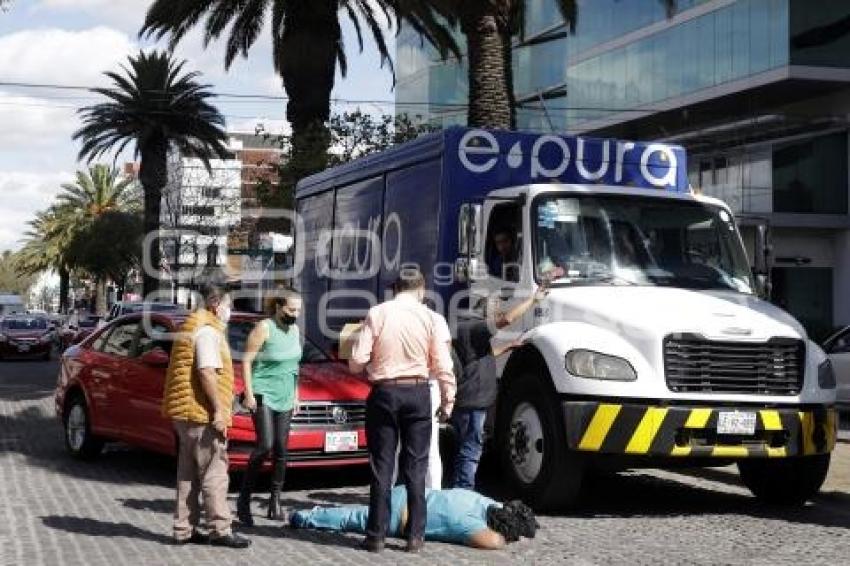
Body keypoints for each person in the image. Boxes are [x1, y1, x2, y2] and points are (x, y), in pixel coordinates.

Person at [349, 269, 455, 553]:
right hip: (419, 392)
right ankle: (415, 536)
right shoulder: (431, 318)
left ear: (395, 288)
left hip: (384, 392)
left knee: (382, 466)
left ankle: (376, 536)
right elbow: (444, 365)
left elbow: (356, 361)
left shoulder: (378, 313)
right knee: (416, 467)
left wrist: (371, 367)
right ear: (421, 289)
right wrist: (448, 401)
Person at [161, 284, 250, 548]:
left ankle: (183, 529)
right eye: (228, 305)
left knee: (187, 473)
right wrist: (219, 411)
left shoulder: (190, 325)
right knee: (215, 471)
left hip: (186, 413)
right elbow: (207, 372)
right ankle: (220, 528)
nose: (230, 310)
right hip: (201, 414)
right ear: (214, 304)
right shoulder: (208, 331)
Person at [450, 285, 548, 489]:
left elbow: (476, 360)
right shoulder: (474, 327)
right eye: (495, 308)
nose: (498, 312)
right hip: (473, 402)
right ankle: (464, 492)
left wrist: (506, 347)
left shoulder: (467, 330)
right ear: (485, 309)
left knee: (466, 448)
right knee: (471, 450)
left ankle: (460, 489)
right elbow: (507, 320)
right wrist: (533, 300)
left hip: (469, 400)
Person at [289, 486, 539, 550]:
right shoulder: (472, 526)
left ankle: (313, 513)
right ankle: (304, 517)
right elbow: (493, 543)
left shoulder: (484, 502)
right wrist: (512, 537)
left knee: (358, 513)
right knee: (353, 519)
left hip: (409, 493)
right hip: (402, 517)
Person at [237, 289, 303, 526]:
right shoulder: (264, 327)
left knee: (282, 450)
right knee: (264, 445)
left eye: (298, 311)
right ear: (278, 307)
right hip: (263, 392)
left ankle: (275, 500)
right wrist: (249, 393)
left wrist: (296, 395)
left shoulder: (294, 330)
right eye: (291, 310)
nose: (295, 315)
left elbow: (295, 364)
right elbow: (246, 360)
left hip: (286, 394)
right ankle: (243, 500)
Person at [392, 297, 452, 491]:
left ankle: (387, 495)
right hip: (428, 384)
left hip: (397, 383)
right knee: (430, 446)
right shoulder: (436, 320)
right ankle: (432, 494)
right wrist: (448, 398)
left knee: (394, 446)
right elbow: (445, 356)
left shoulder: (394, 316)